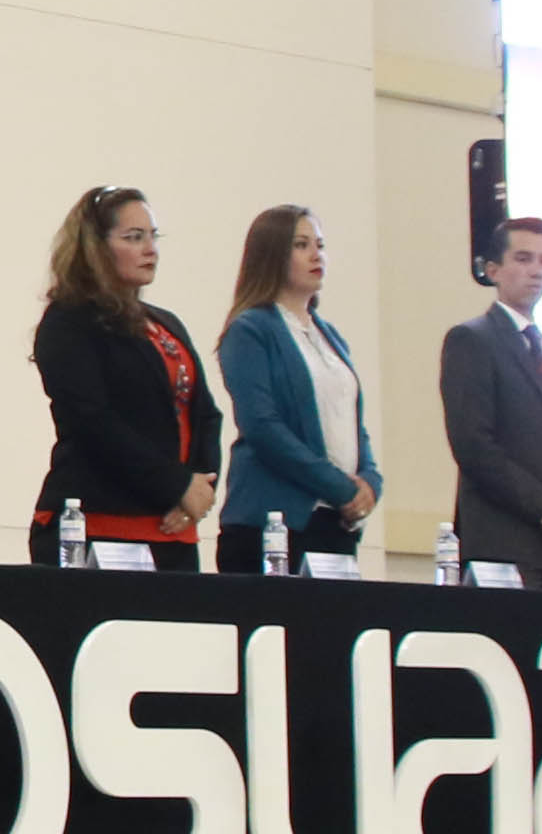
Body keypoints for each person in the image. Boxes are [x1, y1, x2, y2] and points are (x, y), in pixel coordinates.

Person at [30, 184, 220, 570]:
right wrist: (176, 485)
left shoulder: (165, 324)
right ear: (96, 248)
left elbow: (205, 414)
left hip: (173, 528)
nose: (150, 249)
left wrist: (198, 488)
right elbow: (92, 421)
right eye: (134, 238)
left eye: (153, 237)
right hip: (99, 521)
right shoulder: (69, 321)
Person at [215, 201, 384, 567]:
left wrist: (370, 482)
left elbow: (351, 421)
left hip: (334, 521)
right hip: (275, 523)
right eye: (301, 245)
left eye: (320, 245)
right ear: (272, 254)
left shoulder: (329, 335)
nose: (315, 255)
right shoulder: (251, 330)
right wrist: (340, 487)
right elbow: (262, 426)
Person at [443, 212, 542, 579]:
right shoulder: (472, 340)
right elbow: (474, 446)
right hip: (504, 548)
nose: (536, 271)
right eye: (523, 259)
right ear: (493, 270)